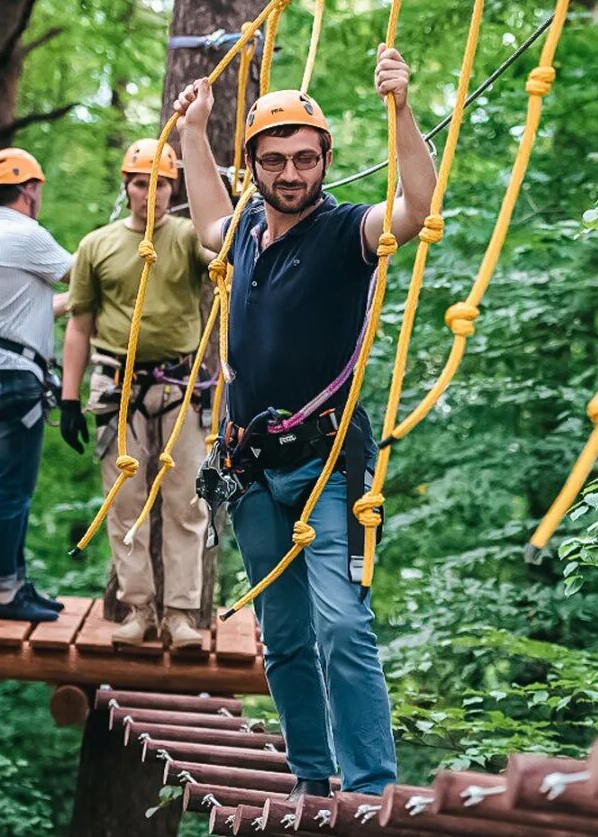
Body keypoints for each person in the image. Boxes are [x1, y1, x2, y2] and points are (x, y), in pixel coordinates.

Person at [172, 43, 436, 797]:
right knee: (283, 640)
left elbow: (416, 209)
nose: (291, 173)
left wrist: (403, 107)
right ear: (253, 165)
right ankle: (312, 781)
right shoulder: (248, 236)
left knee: (344, 629)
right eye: (275, 160)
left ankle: (369, 787)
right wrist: (194, 136)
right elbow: (206, 228)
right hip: (251, 471)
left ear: (326, 160)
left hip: (326, 467)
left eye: (306, 158)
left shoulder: (347, 232)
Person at [60, 138, 212, 648]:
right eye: (142, 183)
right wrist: (67, 397)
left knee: (186, 501)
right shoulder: (96, 246)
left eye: (162, 183)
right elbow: (79, 325)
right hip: (116, 384)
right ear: (127, 187)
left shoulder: (189, 238)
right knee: (125, 502)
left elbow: (225, 251)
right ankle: (139, 610)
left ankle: (181, 615)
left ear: (174, 189)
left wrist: (228, 197)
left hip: (179, 385)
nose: (152, 193)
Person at [0, 147, 73, 622]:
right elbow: (86, 275)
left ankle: (13, 583)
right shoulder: (25, 234)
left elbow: (29, 310)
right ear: (29, 190)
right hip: (9, 376)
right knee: (9, 487)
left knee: (11, 485)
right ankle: (1, 594)